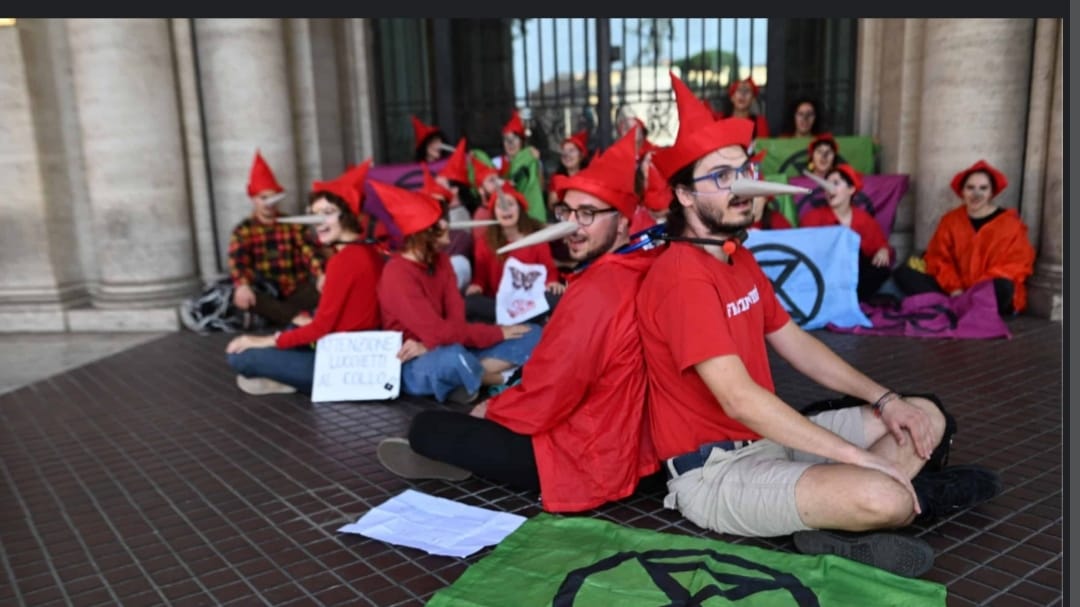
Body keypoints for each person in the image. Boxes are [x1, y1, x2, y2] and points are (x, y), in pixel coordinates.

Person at [637, 72, 1001, 577]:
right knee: (883, 495)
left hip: (770, 438)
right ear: (682, 195)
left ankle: (833, 521)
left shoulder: (735, 256)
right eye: (722, 177)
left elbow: (796, 343)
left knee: (923, 415)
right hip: (717, 473)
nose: (742, 186)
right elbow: (738, 398)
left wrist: (885, 399)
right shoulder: (681, 277)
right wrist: (856, 457)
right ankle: (898, 499)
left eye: (743, 170)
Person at [377, 127, 661, 513]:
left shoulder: (599, 288)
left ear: (625, 223)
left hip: (587, 459)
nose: (573, 225)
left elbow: (552, 393)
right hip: (624, 442)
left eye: (589, 213)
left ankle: (462, 455)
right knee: (520, 363)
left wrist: (494, 410)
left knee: (427, 426)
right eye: (568, 212)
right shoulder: (635, 267)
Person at [372, 181, 541, 404]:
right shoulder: (397, 273)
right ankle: (503, 378)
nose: (447, 223)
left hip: (445, 344)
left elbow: (455, 323)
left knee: (534, 332)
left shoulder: (441, 261)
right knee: (452, 358)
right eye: (439, 220)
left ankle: (467, 378)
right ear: (424, 232)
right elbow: (437, 332)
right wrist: (497, 333)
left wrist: (433, 343)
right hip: (414, 362)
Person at [225, 161, 383, 395]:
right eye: (314, 215)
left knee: (241, 357)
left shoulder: (344, 260)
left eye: (327, 214)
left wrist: (261, 340)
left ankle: (293, 380)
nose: (318, 223)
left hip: (345, 363)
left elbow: (321, 328)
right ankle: (288, 374)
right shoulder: (366, 251)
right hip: (345, 346)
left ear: (348, 215)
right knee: (292, 326)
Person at [893, 160, 1036, 315]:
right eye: (970, 188)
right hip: (955, 290)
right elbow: (938, 258)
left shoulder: (1010, 224)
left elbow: (1016, 264)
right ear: (962, 191)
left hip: (986, 290)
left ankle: (956, 306)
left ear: (991, 192)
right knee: (905, 273)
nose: (976, 194)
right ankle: (962, 306)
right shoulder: (950, 220)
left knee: (1004, 286)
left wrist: (977, 289)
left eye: (983, 188)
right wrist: (955, 288)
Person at [225, 150, 325, 329]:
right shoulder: (244, 230)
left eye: (273, 197)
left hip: (296, 290)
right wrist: (242, 285)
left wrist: (321, 275)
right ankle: (297, 318)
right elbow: (237, 262)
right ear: (254, 199)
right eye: (264, 198)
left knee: (326, 291)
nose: (269, 203)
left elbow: (310, 252)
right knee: (248, 298)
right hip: (266, 291)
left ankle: (282, 317)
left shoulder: (293, 225)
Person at [465, 182, 564, 323]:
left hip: (529, 302)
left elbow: (548, 268)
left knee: (555, 298)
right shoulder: (484, 242)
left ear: (520, 209)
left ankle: (516, 319)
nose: (506, 210)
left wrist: (552, 282)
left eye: (511, 204)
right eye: (501, 206)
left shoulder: (535, 238)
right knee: (470, 303)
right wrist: (477, 286)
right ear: (494, 213)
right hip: (498, 303)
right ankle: (518, 319)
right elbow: (480, 276)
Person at [800, 164, 892, 301]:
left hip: (856, 277)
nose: (829, 188)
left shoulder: (864, 219)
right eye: (827, 184)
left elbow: (880, 246)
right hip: (825, 276)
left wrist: (883, 250)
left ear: (851, 189)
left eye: (836, 183)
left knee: (879, 269)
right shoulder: (812, 218)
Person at [499, 109, 547, 224]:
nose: (510, 144)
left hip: (529, 214)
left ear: (522, 142)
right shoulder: (496, 162)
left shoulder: (532, 159)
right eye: (506, 139)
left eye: (514, 139)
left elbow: (539, 189)